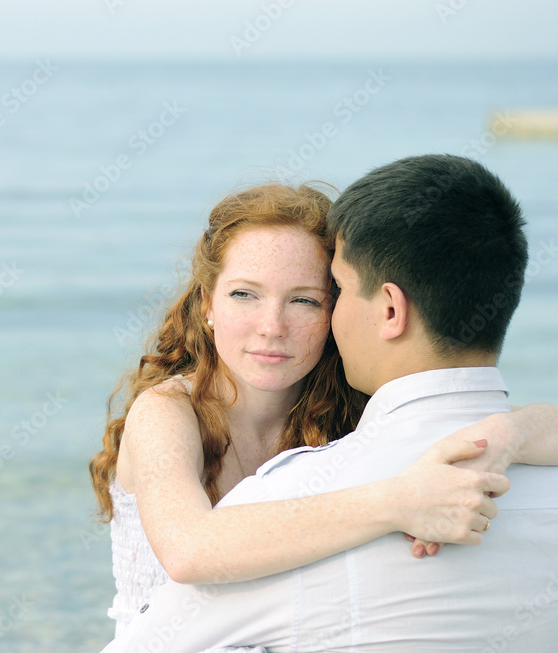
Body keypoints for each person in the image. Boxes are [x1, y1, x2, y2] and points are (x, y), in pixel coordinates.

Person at [101, 154, 558, 652]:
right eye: (244, 294)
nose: (272, 325)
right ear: (207, 303)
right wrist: (398, 501)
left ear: (338, 309)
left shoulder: (352, 412)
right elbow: (188, 551)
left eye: (305, 300)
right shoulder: (168, 412)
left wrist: (507, 437)